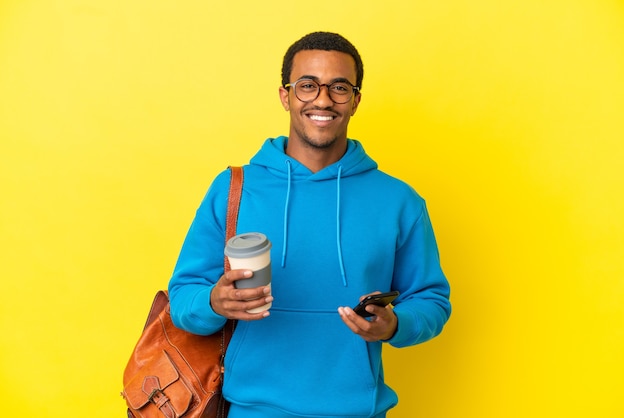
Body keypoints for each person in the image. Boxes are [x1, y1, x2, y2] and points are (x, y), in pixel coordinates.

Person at [168, 31, 452, 418]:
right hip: (251, 409)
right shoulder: (235, 189)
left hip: (358, 411)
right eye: (308, 86)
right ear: (286, 96)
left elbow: (432, 301)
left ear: (355, 101)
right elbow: (184, 297)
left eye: (338, 87)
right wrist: (214, 301)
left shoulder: (398, 201)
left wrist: (394, 325)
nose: (322, 99)